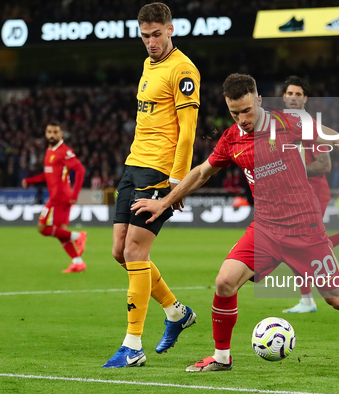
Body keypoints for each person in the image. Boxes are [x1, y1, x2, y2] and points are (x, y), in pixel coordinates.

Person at [132, 73, 339, 372]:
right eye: (234, 112)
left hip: (305, 230)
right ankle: (222, 357)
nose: (241, 118)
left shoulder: (288, 123)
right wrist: (164, 201)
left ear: (259, 100)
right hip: (265, 229)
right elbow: (202, 172)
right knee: (225, 282)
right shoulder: (230, 138)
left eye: (246, 110)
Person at [103, 2, 201, 368]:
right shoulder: (149, 64)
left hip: (159, 171)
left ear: (171, 30)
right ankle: (176, 313)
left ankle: (132, 346)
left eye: (157, 34)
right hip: (133, 165)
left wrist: (176, 183)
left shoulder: (183, 70)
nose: (151, 42)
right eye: (145, 36)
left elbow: (188, 132)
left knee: (134, 253)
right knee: (119, 252)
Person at [280, 75, 339, 314]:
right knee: (294, 245)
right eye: (289, 93)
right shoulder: (279, 124)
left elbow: (324, 165)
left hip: (314, 191)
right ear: (283, 97)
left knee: (299, 245)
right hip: (292, 193)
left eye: (298, 94)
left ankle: (309, 300)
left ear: (305, 99)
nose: (293, 98)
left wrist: (292, 167)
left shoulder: (311, 126)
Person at [22, 122, 87, 273]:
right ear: (46, 134)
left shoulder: (65, 151)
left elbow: (80, 170)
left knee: (43, 228)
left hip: (60, 197)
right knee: (59, 231)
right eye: (49, 132)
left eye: (55, 132)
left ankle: (78, 235)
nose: (52, 135)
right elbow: (48, 174)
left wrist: (75, 194)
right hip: (57, 196)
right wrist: (30, 181)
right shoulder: (50, 150)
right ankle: (78, 262)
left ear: (61, 134)